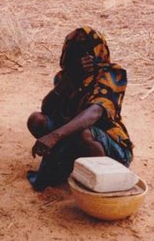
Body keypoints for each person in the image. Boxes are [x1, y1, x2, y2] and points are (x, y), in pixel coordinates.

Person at [26, 27, 133, 191]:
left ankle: (105, 181)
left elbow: (94, 113)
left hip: (109, 148)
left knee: (84, 134)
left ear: (98, 52)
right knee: (36, 120)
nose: (85, 58)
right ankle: (72, 165)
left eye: (88, 52)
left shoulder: (111, 74)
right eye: (78, 53)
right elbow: (46, 108)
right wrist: (70, 78)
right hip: (74, 138)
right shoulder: (65, 77)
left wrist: (54, 136)